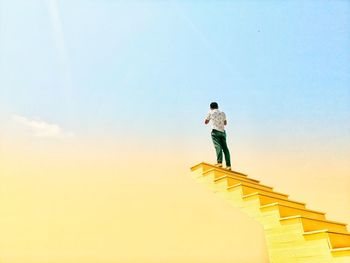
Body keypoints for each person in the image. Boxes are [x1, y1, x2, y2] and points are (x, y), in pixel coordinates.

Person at [204, 102, 231, 170]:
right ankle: (228, 165)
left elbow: (206, 122)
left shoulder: (210, 112)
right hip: (222, 132)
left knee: (218, 147)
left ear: (210, 107)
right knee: (225, 149)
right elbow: (225, 123)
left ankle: (219, 163)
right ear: (218, 107)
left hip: (215, 131)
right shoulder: (222, 113)